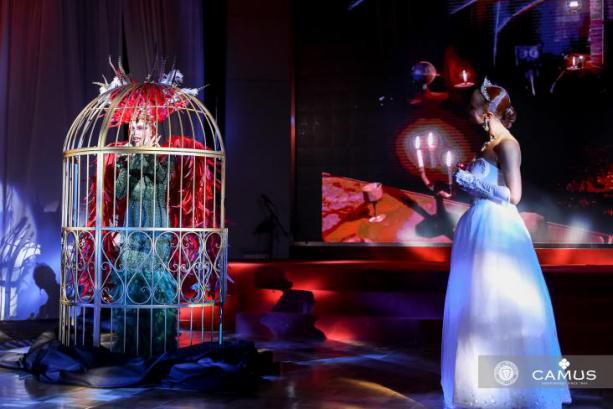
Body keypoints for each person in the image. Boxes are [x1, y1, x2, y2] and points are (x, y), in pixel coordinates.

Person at [440, 78, 572, 408]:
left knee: (499, 302)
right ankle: (480, 387)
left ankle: (513, 390)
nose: (469, 111)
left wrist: (472, 182)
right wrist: (461, 183)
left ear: (487, 112)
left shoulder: (508, 145)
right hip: (477, 225)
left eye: (473, 106)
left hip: (497, 227)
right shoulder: (486, 144)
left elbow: (514, 195)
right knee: (476, 302)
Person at [111, 110, 178, 355]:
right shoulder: (127, 158)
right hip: (133, 224)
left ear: (153, 131)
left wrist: (145, 154)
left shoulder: (165, 158)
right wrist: (127, 162)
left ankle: (157, 345)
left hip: (156, 226)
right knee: (132, 282)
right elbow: (119, 192)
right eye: (132, 128)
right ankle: (132, 346)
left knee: (155, 282)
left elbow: (160, 180)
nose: (134, 133)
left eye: (140, 128)